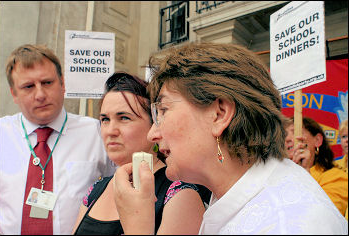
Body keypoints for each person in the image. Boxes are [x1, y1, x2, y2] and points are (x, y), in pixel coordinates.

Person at [112, 42, 348, 234]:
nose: (152, 133)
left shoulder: (287, 224)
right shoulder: (233, 193)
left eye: (163, 111)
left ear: (219, 114)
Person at [72, 72, 210, 234]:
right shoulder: (97, 189)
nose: (111, 131)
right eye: (105, 120)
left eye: (124, 118)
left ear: (154, 124)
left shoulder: (180, 193)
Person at [0, 44, 114, 234]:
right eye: (28, 87)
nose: (41, 95)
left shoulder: (96, 132)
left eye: (47, 83)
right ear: (14, 94)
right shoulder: (0, 135)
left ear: (63, 84)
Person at [284, 116, 348, 216]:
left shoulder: (338, 177)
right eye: (284, 134)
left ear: (317, 140)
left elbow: (327, 218)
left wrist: (305, 173)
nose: (287, 138)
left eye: (295, 132)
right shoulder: (277, 176)